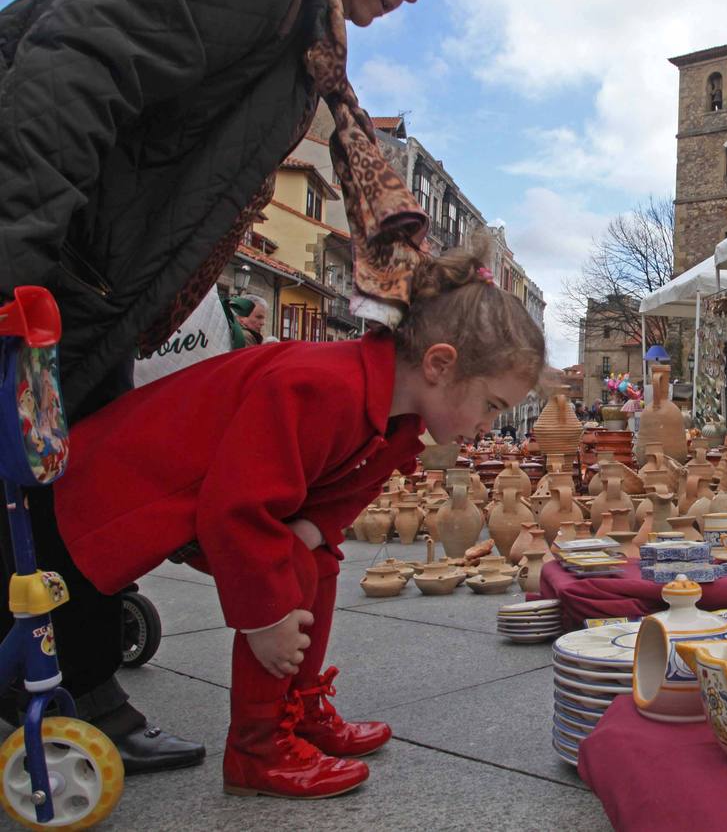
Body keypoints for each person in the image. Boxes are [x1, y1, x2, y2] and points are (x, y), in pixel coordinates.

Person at [0, 0, 469, 773]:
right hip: (55, 272)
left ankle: (77, 684)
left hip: (92, 280)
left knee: (56, 489)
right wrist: (15, 265)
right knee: (64, 493)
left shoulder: (306, 34)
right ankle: (78, 690)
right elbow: (74, 64)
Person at [51, 251, 544, 798]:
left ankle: (296, 709)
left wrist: (310, 536)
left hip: (200, 493)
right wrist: (268, 617)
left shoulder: (397, 411)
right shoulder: (319, 386)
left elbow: (347, 492)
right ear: (439, 365)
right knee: (282, 571)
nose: (489, 425)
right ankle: (256, 751)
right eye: (492, 405)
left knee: (315, 561)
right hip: (122, 490)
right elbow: (239, 507)